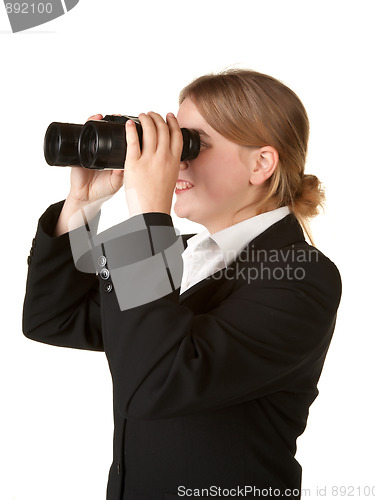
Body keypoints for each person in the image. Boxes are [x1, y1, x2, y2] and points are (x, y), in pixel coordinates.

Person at [23, 69, 342, 500]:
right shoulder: (179, 254)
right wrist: (84, 204)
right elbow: (54, 317)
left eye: (193, 144)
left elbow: (155, 381)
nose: (176, 160)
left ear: (261, 163)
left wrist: (147, 216)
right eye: (175, 141)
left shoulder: (302, 275)